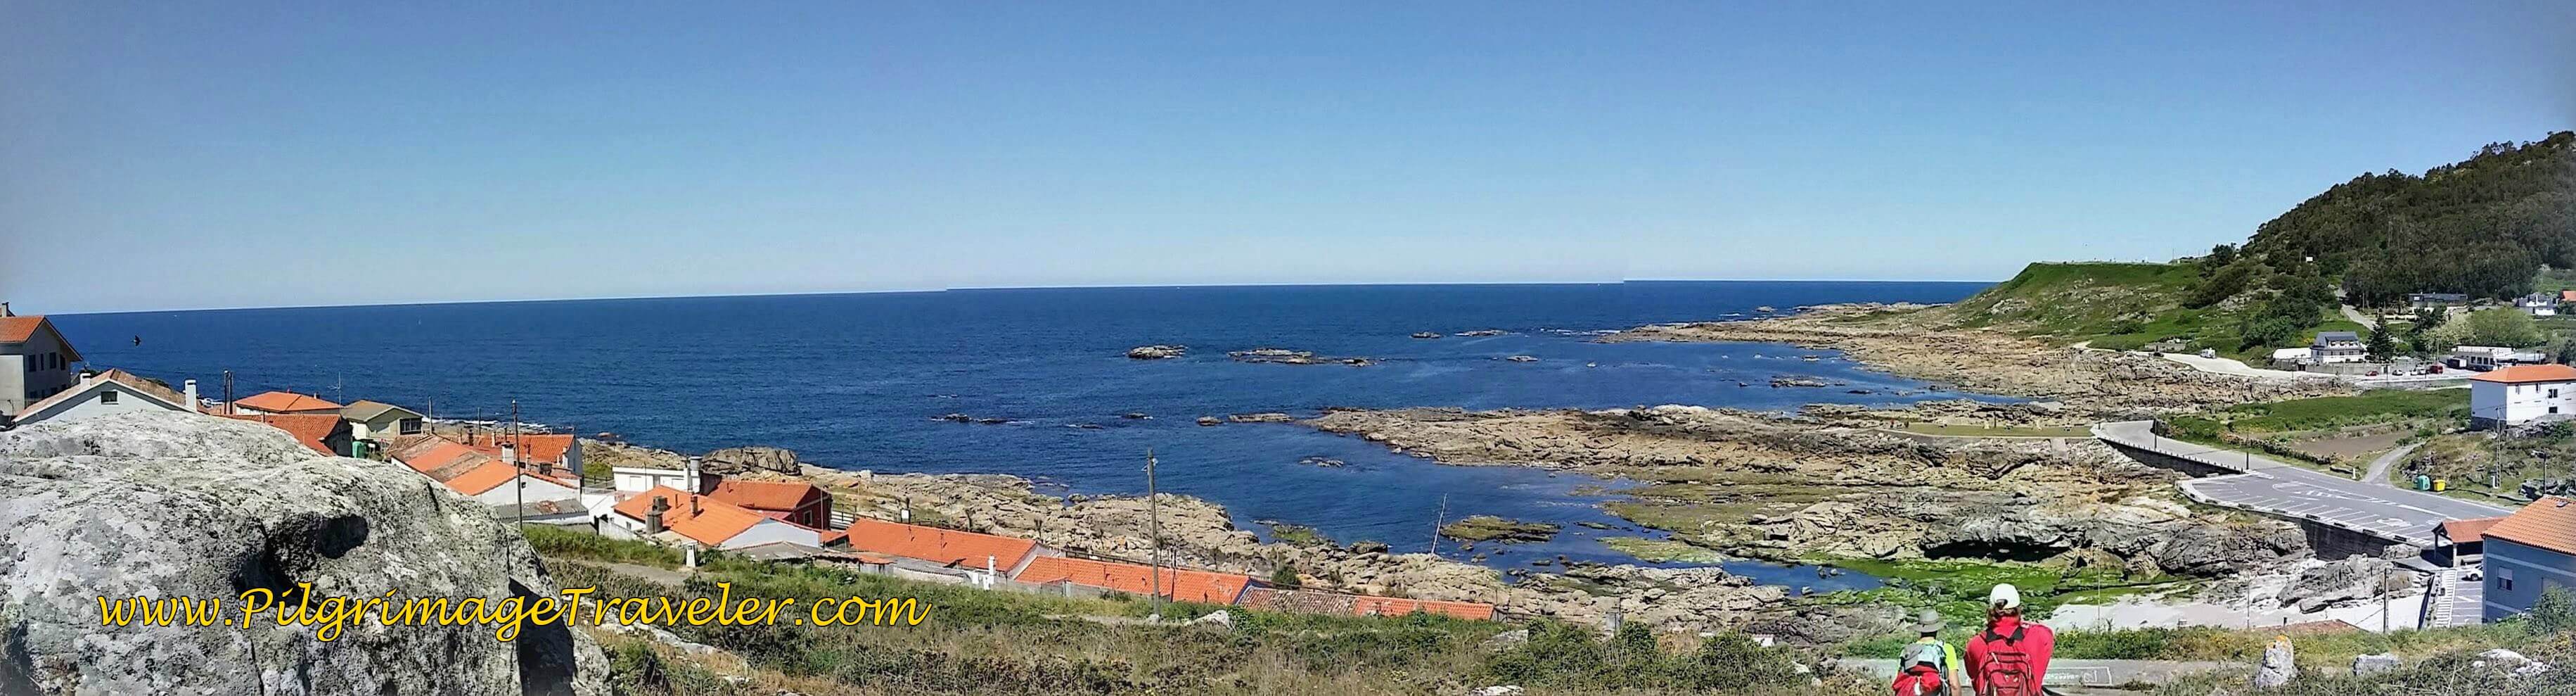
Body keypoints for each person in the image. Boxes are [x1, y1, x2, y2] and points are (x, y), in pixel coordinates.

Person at [1964, 583, 2054, 696]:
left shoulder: (1976, 644)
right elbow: (2048, 633)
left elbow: (1975, 679)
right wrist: (2021, 622)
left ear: (1991, 610)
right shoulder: (2039, 636)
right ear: (2019, 608)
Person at [1897, 608, 1966, 692]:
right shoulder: (1946, 649)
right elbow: (1954, 684)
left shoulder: (1908, 651)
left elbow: (1900, 681)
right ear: (1937, 628)